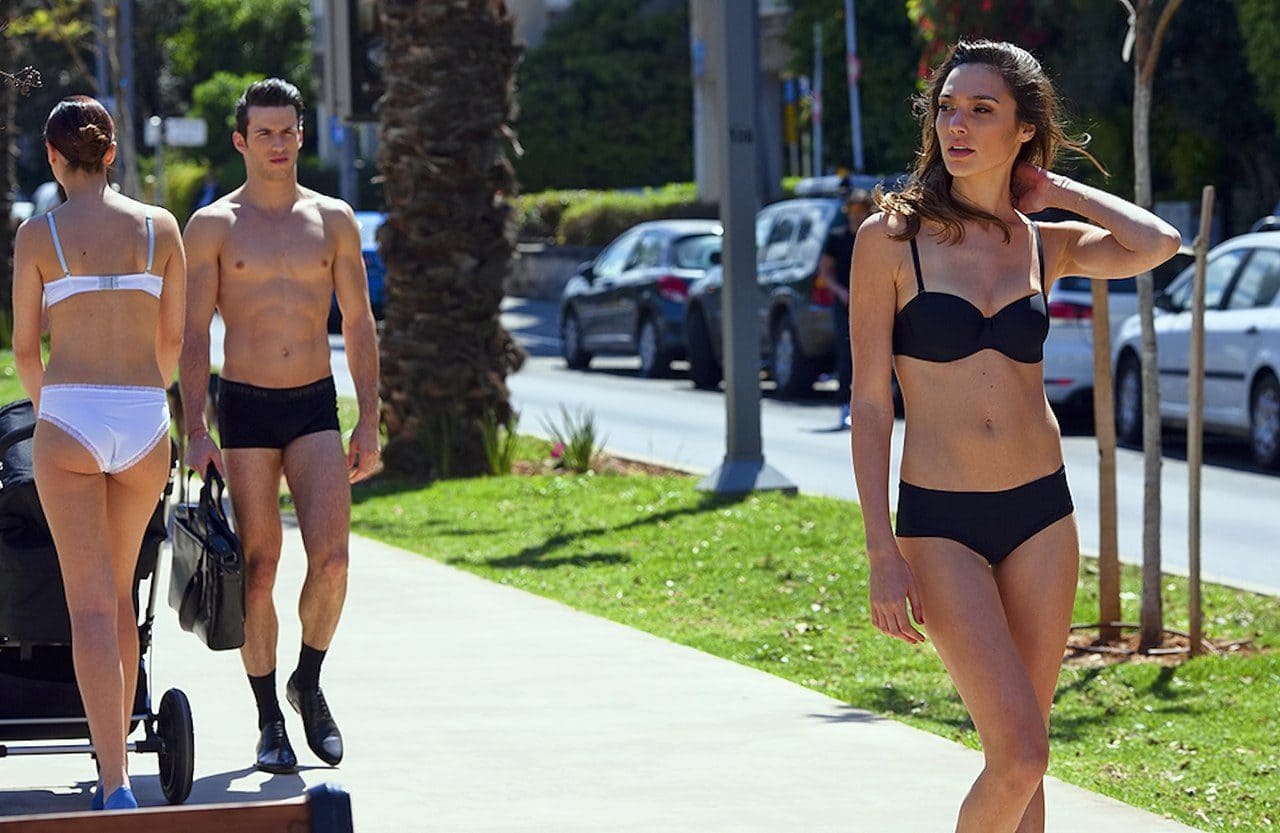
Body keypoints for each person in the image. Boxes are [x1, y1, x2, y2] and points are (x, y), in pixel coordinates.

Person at [848, 41, 1179, 833]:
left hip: (1041, 515)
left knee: (1029, 755)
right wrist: (880, 549)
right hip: (940, 522)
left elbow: (1157, 243)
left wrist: (1054, 189)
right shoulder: (891, 240)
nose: (956, 125)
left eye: (981, 110)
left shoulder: (1041, 242)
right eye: (947, 108)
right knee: (1019, 754)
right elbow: (869, 402)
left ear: (1024, 128)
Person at [178, 78, 380, 774]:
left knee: (333, 560)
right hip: (245, 407)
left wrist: (370, 420)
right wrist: (196, 429)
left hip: (314, 404)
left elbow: (359, 323)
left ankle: (308, 682)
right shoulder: (213, 225)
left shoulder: (334, 219)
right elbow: (193, 331)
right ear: (241, 141)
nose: (277, 143)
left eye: (287, 131)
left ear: (301, 134)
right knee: (259, 568)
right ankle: (268, 718)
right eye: (263, 132)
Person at [11, 96, 185, 811]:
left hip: (71, 413)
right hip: (144, 418)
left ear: (54, 158)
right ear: (111, 153)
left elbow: (25, 349)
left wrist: (53, 409)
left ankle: (115, 784)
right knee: (120, 596)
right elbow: (172, 343)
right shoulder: (160, 227)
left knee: (85, 606)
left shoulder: (38, 234)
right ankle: (119, 770)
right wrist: (143, 395)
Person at [819, 189, 874, 428]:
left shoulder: (874, 237)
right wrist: (841, 292)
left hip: (872, 302)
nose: (856, 215)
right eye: (852, 210)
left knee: (874, 354)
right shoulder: (837, 238)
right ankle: (844, 405)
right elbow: (824, 271)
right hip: (845, 303)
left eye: (861, 210)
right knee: (845, 353)